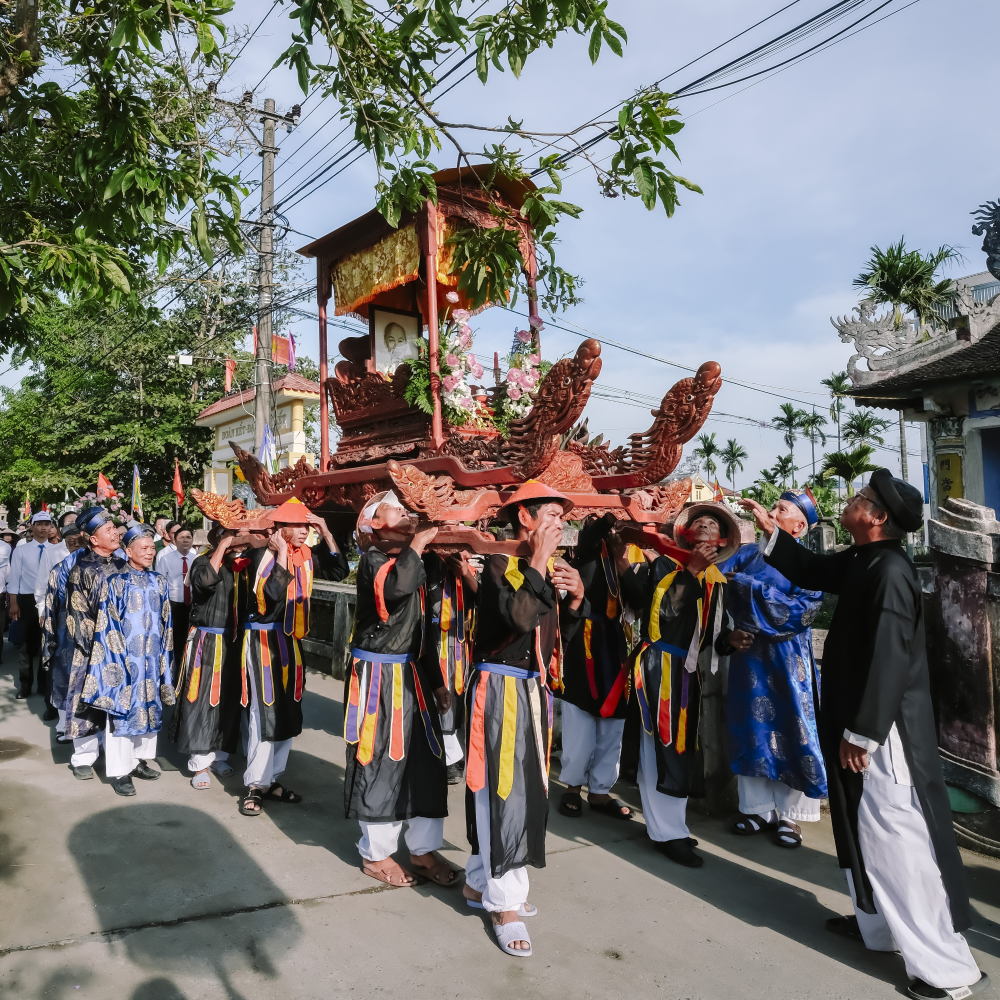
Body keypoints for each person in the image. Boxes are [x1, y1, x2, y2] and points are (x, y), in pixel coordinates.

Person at [741, 470, 988, 1000]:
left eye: (860, 497)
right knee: (860, 827)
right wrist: (771, 530)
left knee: (896, 838)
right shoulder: (864, 559)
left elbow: (890, 659)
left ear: (876, 517)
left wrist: (864, 732)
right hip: (855, 721)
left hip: (882, 731)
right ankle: (877, 925)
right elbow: (811, 568)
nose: (850, 501)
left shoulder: (891, 571)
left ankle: (946, 971)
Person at [463, 481, 588, 958]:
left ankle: (479, 882)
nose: (560, 523)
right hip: (499, 689)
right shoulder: (499, 563)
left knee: (521, 790)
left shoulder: (546, 568)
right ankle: (505, 905)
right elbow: (517, 619)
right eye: (552, 514)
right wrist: (537, 562)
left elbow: (554, 639)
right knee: (504, 793)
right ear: (525, 518)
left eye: (562, 516)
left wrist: (574, 600)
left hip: (531, 689)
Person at [618, 502, 741, 869]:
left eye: (712, 524)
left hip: (686, 672)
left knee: (679, 747)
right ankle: (665, 832)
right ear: (685, 534)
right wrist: (691, 570)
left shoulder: (716, 581)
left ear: (721, 541)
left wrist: (729, 640)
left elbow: (711, 636)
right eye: (698, 522)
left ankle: (672, 826)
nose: (704, 525)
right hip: (658, 664)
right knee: (661, 744)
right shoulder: (664, 566)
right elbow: (664, 615)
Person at [343, 491, 456, 887]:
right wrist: (421, 541)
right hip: (379, 677)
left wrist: (436, 681)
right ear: (373, 524)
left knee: (427, 763)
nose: (406, 512)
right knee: (380, 762)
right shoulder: (373, 559)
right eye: (396, 508)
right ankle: (376, 855)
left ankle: (423, 850)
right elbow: (395, 589)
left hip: (414, 676)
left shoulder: (415, 559)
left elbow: (422, 629)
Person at [719, 489, 827, 849]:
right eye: (774, 506)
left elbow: (803, 610)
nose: (771, 511)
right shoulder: (746, 553)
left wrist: (747, 587)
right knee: (751, 727)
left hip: (788, 659)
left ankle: (790, 815)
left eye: (781, 509)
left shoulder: (807, 562)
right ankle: (757, 809)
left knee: (792, 727)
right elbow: (716, 580)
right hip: (749, 655)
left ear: (798, 527)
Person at [238, 500, 344, 816]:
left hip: (289, 641)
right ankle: (255, 784)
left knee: (287, 709)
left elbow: (339, 571)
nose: (303, 532)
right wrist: (282, 552)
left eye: (307, 526)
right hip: (262, 642)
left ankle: (271, 780)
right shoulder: (259, 555)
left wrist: (327, 532)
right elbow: (272, 595)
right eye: (297, 526)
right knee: (263, 711)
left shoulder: (306, 555)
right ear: (280, 529)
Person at [80, 524, 175, 796]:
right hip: (124, 660)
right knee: (122, 713)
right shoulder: (116, 582)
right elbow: (107, 625)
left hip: (152, 660)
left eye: (152, 548)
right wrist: (118, 662)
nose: (150, 552)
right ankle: (120, 771)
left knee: (148, 708)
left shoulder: (159, 581)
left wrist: (164, 659)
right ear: (128, 551)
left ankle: (136, 761)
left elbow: (167, 623)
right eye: (143, 548)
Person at [557, 513, 634, 821]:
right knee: (580, 718)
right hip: (583, 640)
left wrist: (623, 558)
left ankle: (601, 791)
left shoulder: (623, 556)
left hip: (615, 643)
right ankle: (573, 786)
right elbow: (590, 536)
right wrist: (614, 513)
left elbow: (639, 597)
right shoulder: (585, 550)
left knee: (613, 723)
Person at [169, 524, 253, 789]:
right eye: (235, 537)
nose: (240, 543)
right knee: (202, 699)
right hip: (207, 641)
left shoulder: (243, 566)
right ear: (220, 538)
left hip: (234, 641)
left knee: (229, 699)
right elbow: (204, 583)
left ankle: (219, 756)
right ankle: (199, 765)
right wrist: (224, 545)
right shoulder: (202, 561)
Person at [60, 507, 129, 779]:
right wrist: (98, 646)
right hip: (91, 649)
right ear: (93, 539)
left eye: (114, 528)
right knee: (85, 702)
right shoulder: (81, 570)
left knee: (116, 702)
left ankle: (121, 758)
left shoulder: (124, 566)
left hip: (122, 649)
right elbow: (77, 615)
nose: (115, 533)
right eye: (108, 530)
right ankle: (83, 758)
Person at [422, 549, 478, 784]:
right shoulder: (430, 563)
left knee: (457, 695)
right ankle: (448, 755)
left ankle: (454, 750)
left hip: (460, 640)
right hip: (436, 637)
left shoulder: (470, 569)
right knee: (440, 692)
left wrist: (466, 573)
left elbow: (481, 598)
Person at [38, 523, 86, 740]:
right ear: (65, 544)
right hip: (64, 631)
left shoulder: (94, 565)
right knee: (63, 678)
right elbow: (47, 596)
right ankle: (63, 727)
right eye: (70, 542)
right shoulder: (59, 568)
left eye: (79, 541)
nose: (75, 545)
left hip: (90, 635)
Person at [8, 511, 57, 709]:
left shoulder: (56, 550)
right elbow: (14, 577)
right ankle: (25, 684)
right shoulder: (22, 550)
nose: (44, 528)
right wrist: (13, 603)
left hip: (48, 599)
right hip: (26, 600)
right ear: (32, 526)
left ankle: (43, 684)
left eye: (47, 524)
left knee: (46, 644)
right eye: (39, 524)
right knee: (25, 645)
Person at [156, 525, 196, 668]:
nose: (185, 540)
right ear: (175, 540)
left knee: (190, 641)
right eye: (182, 537)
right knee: (175, 642)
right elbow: (159, 585)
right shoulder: (166, 559)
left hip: (193, 606)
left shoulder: (197, 559)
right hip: (174, 607)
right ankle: (174, 670)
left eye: (188, 537)